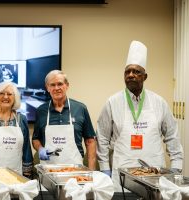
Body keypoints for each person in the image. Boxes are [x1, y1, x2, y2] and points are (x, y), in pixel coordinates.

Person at [96, 40, 184, 191]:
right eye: (127, 71)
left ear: (145, 76)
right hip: (122, 172)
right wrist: (105, 168)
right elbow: (102, 138)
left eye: (136, 72)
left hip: (154, 173)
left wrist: (176, 167)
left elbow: (172, 136)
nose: (131, 75)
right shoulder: (112, 102)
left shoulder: (159, 102)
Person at [32, 70, 97, 170]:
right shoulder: (41, 111)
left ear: (67, 85)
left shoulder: (80, 108)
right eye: (52, 85)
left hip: (75, 169)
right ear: (47, 88)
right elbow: (36, 139)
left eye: (60, 84)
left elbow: (90, 141)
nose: (56, 88)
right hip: (49, 170)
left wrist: (91, 171)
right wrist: (40, 149)